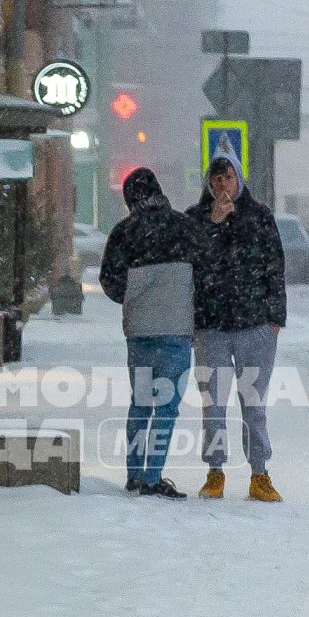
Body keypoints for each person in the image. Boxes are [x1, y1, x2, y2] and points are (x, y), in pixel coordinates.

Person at [100, 167, 206, 498]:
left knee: (142, 403)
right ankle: (152, 475)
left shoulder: (123, 232)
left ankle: (134, 473)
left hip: (139, 333)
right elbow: (204, 277)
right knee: (166, 407)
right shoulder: (185, 227)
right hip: (175, 331)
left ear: (131, 198)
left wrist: (133, 296)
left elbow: (110, 281)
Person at [188, 155, 287, 503]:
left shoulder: (258, 216)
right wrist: (213, 224)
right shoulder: (196, 219)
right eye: (215, 180)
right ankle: (215, 472)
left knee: (253, 403)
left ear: (238, 179)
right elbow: (190, 263)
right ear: (208, 184)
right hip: (211, 326)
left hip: (254, 325)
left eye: (227, 178)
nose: (222, 186)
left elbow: (275, 266)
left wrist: (275, 319)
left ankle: (259, 473)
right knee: (213, 403)